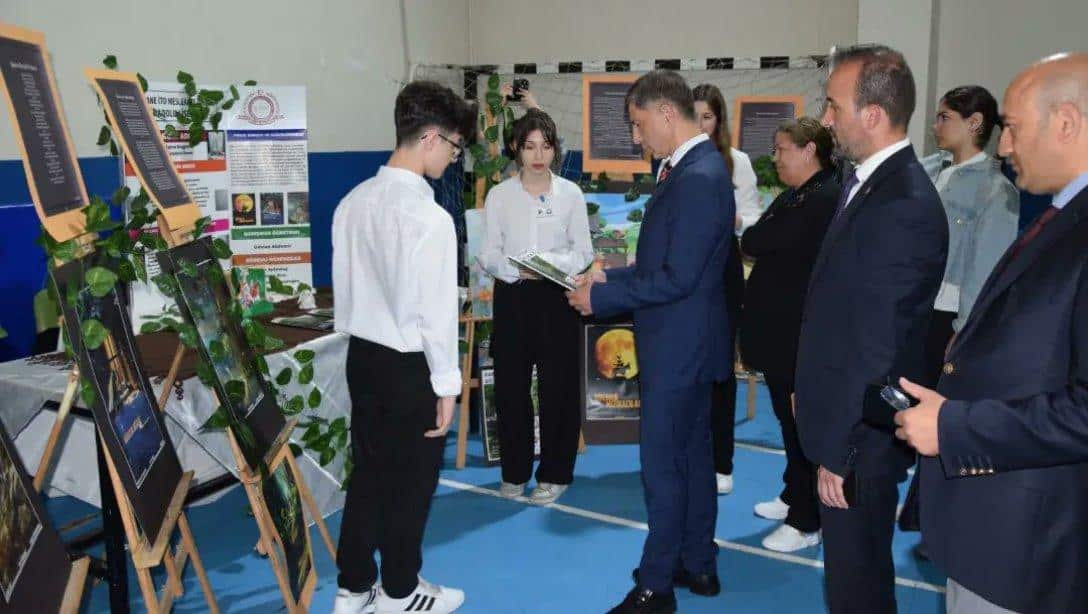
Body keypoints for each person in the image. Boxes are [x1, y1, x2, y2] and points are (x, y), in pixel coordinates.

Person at [895, 52, 1088, 614]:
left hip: (1035, 539)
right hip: (1003, 523)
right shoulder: (1061, 214)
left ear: (1067, 123)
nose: (1004, 146)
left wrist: (956, 424)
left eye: (1014, 128)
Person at [567, 70, 734, 614]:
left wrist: (601, 301)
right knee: (691, 459)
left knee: (662, 468)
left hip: (678, 348)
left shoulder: (698, 175)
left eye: (639, 126)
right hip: (685, 343)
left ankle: (657, 586)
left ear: (666, 113)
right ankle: (696, 563)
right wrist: (608, 278)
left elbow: (676, 278)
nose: (636, 138)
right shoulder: (689, 168)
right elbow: (662, 261)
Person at [794, 44, 948, 613]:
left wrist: (841, 448)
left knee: (858, 585)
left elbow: (877, 344)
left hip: (862, 437)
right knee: (849, 578)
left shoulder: (903, 202)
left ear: (873, 115)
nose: (827, 119)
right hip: (847, 417)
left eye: (834, 106)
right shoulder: (868, 182)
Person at [330, 80, 476, 614]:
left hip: (362, 358)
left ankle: (353, 587)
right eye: (455, 148)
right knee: (411, 484)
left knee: (368, 473)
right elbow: (434, 316)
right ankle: (399, 590)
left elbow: (345, 289)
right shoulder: (430, 219)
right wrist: (447, 384)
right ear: (432, 138)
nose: (454, 159)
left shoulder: (352, 202)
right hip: (410, 364)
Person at [898, 85, 1020, 542]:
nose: (935, 126)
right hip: (915, 307)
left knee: (941, 420)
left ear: (974, 124)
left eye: (944, 117)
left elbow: (987, 270)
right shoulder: (930, 171)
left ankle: (934, 517)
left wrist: (963, 329)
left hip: (947, 318)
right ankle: (915, 503)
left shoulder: (995, 191)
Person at [477, 108, 593, 505]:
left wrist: (550, 268)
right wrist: (517, 269)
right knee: (510, 389)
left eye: (545, 146)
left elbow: (583, 252)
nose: (537, 155)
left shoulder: (570, 194)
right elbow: (488, 253)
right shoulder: (499, 195)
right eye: (529, 147)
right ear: (516, 149)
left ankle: (556, 473)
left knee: (558, 388)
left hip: (558, 297)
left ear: (555, 149)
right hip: (513, 298)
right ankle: (514, 471)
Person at [739, 117, 839, 552]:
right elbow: (758, 238)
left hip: (799, 335)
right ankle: (792, 492)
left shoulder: (821, 200)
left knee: (800, 426)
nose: (775, 158)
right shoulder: (799, 195)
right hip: (782, 334)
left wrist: (759, 234)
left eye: (782, 150)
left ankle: (806, 518)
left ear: (809, 150)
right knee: (786, 420)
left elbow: (757, 240)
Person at [691, 83, 762, 495]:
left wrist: (733, 219)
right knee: (688, 369)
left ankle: (722, 462)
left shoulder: (738, 162)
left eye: (708, 116)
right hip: (687, 274)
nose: (701, 124)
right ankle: (691, 455)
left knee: (721, 370)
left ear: (719, 120)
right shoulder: (673, 161)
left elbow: (753, 219)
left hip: (724, 273)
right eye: (695, 115)